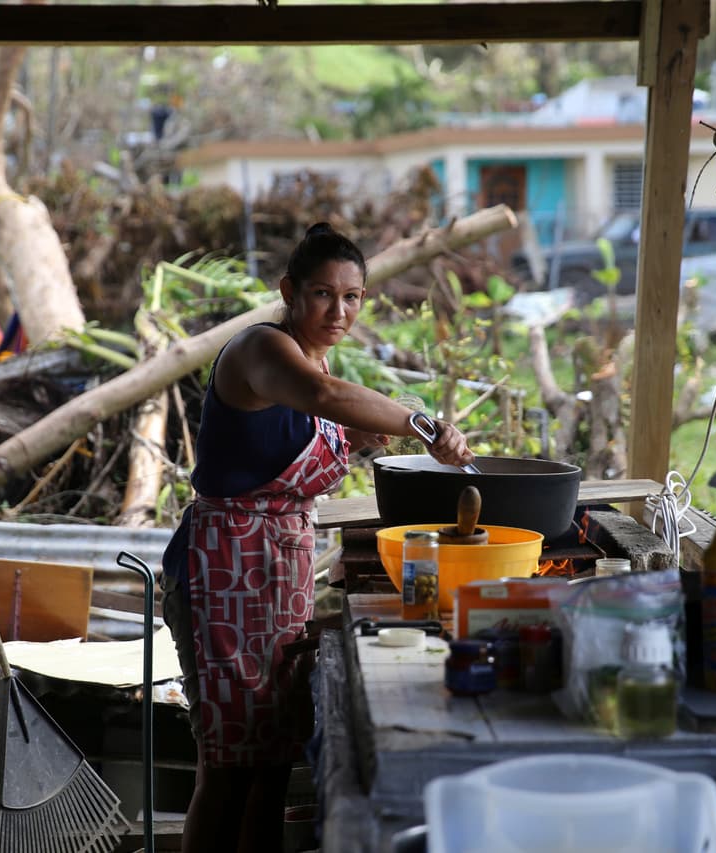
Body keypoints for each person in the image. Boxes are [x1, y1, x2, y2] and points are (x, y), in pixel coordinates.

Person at [160, 222, 473, 852]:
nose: (340, 310)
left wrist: (353, 442)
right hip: (223, 571)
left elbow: (292, 437)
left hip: (276, 573)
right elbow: (322, 395)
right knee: (226, 767)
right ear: (290, 292)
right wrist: (423, 424)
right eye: (324, 294)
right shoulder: (262, 349)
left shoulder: (313, 359)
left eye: (353, 296)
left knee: (272, 758)